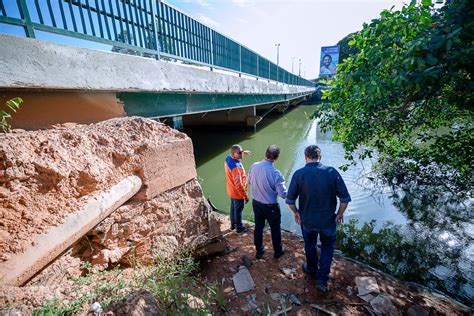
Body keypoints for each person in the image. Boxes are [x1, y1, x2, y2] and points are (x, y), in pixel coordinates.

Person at [286, 145, 351, 293]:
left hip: (307, 220)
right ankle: (322, 279)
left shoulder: (299, 174)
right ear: (319, 157)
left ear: (305, 157)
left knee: (310, 244)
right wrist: (340, 214)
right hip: (328, 221)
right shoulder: (331, 172)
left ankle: (311, 268)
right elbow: (344, 199)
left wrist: (296, 213)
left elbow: (290, 201)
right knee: (328, 247)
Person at [248, 145, 287, 259]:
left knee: (258, 227)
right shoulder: (276, 173)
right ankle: (278, 251)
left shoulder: (254, 166)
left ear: (265, 154)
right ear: (277, 158)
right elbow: (283, 194)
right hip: (271, 207)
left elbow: (249, 181)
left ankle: (259, 251)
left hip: (256, 203)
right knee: (275, 229)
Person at [225, 144, 251, 233]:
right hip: (237, 193)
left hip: (231, 190)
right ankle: (239, 228)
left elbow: (233, 153)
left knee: (233, 209)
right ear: (234, 154)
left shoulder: (228, 159)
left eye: (241, 151)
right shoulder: (236, 167)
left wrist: (243, 152)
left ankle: (232, 225)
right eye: (239, 153)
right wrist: (245, 196)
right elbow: (239, 184)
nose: (241, 154)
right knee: (238, 211)